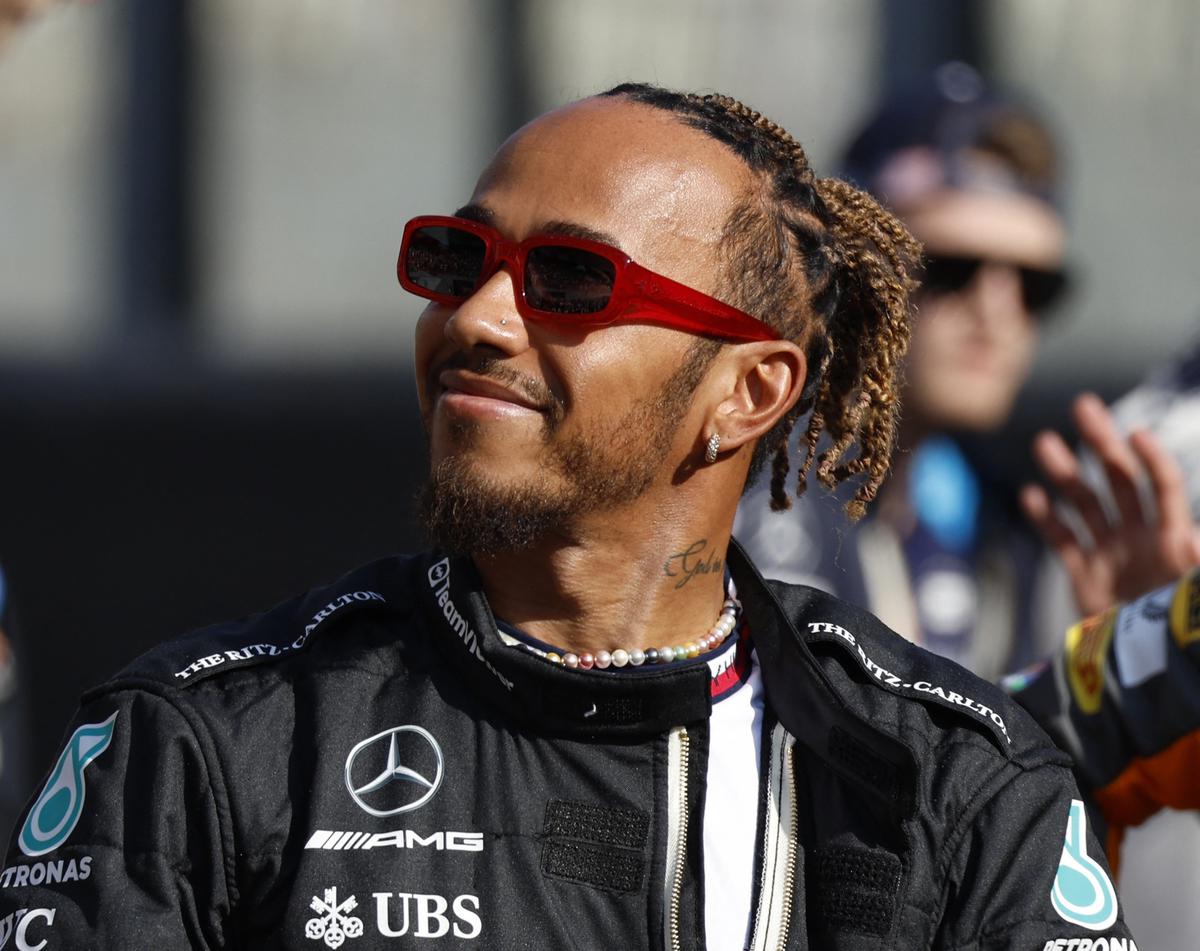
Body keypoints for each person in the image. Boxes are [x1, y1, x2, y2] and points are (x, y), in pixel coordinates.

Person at [0, 85, 1136, 950]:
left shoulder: (955, 782)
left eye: (570, 281)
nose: (478, 318)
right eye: (459, 260)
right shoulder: (201, 745)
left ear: (749, 392)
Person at [736, 62, 1070, 681]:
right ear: (854, 269)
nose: (996, 313)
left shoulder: (1008, 515)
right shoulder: (754, 471)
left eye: (1035, 285)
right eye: (950, 269)